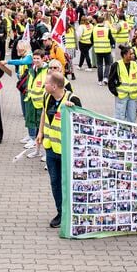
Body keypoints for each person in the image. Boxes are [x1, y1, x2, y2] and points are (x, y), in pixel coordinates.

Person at [37, 70, 81, 228]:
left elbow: (82, 124)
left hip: (66, 151)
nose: (44, 85)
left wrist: (73, 109)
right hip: (50, 148)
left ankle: (72, 212)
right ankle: (60, 212)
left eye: (47, 83)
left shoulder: (72, 99)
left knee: (67, 182)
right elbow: (43, 114)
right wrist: (40, 132)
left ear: (54, 86)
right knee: (55, 182)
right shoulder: (46, 96)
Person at [108, 45, 137, 123]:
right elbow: (111, 81)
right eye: (131, 54)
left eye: (133, 53)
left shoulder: (135, 64)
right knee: (119, 117)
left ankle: (130, 132)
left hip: (133, 96)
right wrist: (115, 92)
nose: (133, 55)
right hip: (121, 96)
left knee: (132, 117)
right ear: (125, 55)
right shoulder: (116, 65)